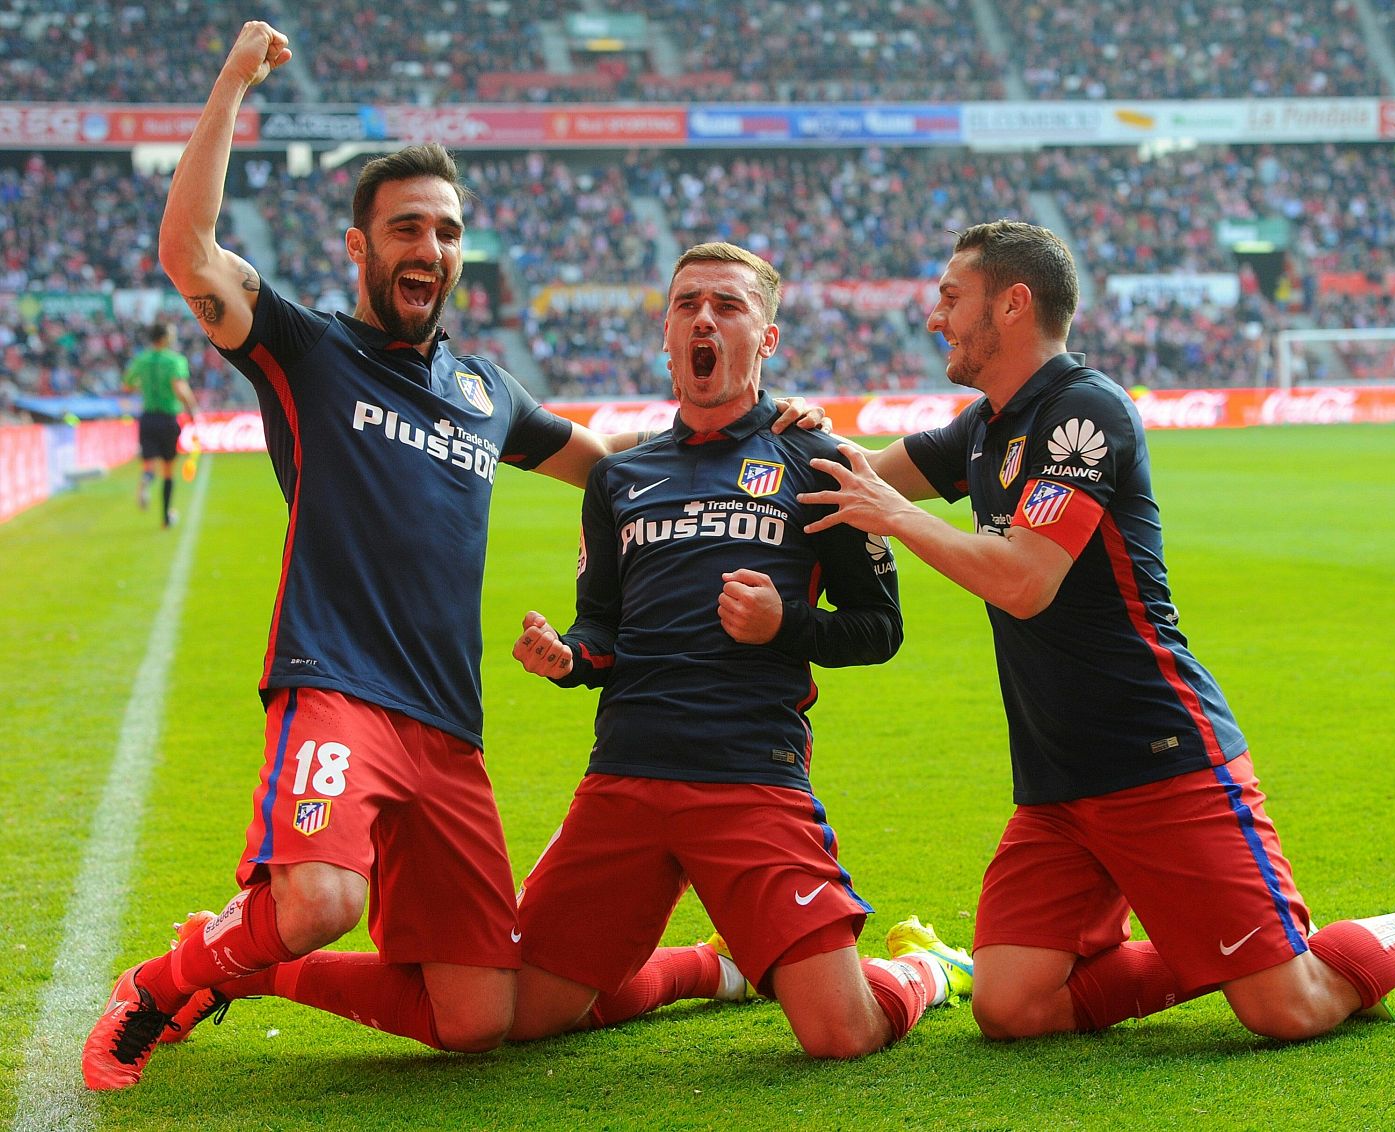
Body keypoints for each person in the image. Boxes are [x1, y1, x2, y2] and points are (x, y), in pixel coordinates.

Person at [81, 24, 823, 1091]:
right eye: (405, 228)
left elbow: (621, 471)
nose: (428, 246)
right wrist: (235, 82)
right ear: (360, 246)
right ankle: (163, 983)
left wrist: (764, 431)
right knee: (320, 900)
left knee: (477, 1017)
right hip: (337, 685)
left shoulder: (485, 391)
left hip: (446, 723)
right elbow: (188, 253)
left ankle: (250, 965)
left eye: (446, 230)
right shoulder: (308, 350)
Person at [800, 219, 1395, 1043]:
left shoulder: (1084, 412)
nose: (934, 316)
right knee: (1012, 1007)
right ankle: (1230, 948)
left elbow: (1024, 581)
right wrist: (787, 431)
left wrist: (896, 517)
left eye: (952, 297)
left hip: (1159, 755)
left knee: (1289, 1007)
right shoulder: (985, 427)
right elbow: (853, 472)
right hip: (1060, 781)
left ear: (1013, 304)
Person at [505, 241, 973, 1059]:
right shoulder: (619, 478)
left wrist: (785, 624)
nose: (704, 319)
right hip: (628, 773)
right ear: (665, 334)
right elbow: (601, 628)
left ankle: (927, 969)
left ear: (767, 338)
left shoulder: (822, 462)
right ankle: (711, 969)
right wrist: (569, 657)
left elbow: (879, 628)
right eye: (687, 305)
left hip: (750, 770)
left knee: (841, 1033)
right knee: (522, 1014)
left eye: (727, 305)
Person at [125, 322, 201, 528]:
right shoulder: (174, 361)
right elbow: (180, 388)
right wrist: (193, 410)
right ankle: (166, 517)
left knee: (149, 464)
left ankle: (146, 480)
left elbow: (128, 384)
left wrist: (146, 386)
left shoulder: (141, 359)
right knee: (168, 469)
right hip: (167, 418)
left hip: (147, 418)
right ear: (165, 337)